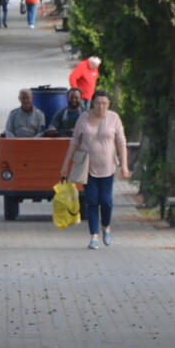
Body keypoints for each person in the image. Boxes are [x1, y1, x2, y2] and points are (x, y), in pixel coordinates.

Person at [60, 89, 129, 250]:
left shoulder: (114, 118)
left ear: (109, 103)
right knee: (92, 201)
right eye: (98, 103)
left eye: (104, 103)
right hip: (87, 168)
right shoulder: (83, 118)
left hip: (108, 168)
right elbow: (74, 142)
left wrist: (124, 166)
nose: (101, 106)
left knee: (106, 201)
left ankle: (106, 227)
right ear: (92, 103)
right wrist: (65, 165)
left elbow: (121, 143)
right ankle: (94, 237)